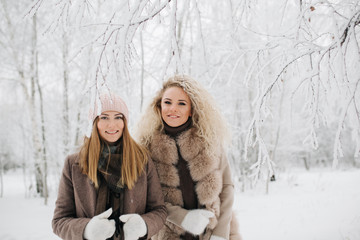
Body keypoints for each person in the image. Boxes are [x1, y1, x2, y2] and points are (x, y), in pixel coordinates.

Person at [136, 75, 241, 240]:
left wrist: (220, 233)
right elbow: (145, 197)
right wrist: (183, 218)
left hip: (212, 233)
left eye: (182, 104)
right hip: (167, 234)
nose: (173, 109)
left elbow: (226, 188)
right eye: (168, 102)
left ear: (191, 109)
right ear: (159, 106)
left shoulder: (209, 142)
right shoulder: (145, 148)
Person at [52, 92, 167, 240]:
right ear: (94, 122)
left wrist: (143, 225)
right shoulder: (73, 164)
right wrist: (87, 230)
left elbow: (159, 210)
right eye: (104, 117)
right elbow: (59, 221)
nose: (112, 124)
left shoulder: (142, 160)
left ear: (125, 122)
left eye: (118, 117)